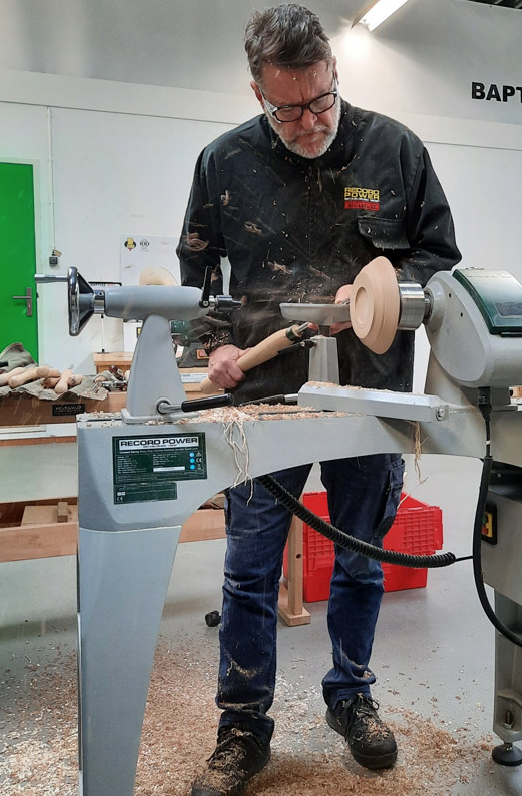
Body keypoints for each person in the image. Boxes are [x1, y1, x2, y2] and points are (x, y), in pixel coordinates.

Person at [177, 5, 461, 794]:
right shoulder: (223, 161)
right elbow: (198, 274)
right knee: (248, 570)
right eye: (289, 109)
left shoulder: (395, 149)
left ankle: (352, 697)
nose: (310, 122)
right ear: (258, 92)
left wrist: (385, 284)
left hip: (370, 394)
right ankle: (242, 727)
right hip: (265, 398)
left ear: (335, 71)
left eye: (321, 100)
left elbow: (441, 261)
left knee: (362, 560)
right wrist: (214, 344)